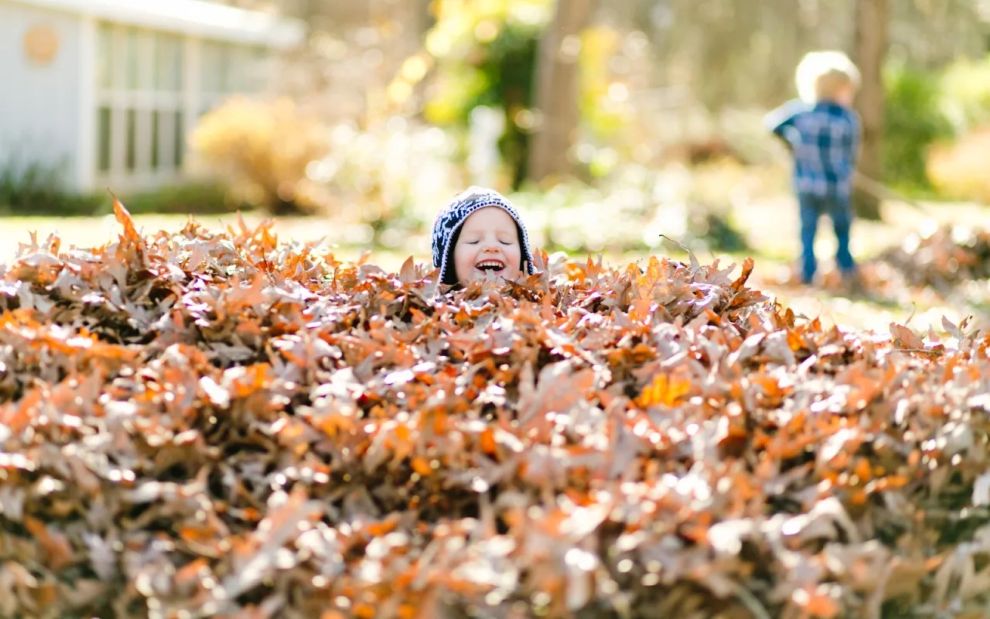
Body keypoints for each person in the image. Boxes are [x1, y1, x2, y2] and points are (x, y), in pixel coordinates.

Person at [765, 50, 861, 286]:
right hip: (836, 185)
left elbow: (772, 124)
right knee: (841, 227)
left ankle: (808, 272)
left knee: (808, 230)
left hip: (806, 183)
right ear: (840, 90)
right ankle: (846, 268)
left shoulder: (801, 112)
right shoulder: (848, 118)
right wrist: (849, 169)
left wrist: (791, 142)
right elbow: (851, 151)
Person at [431, 186, 535, 287]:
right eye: (474, 241)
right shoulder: (430, 304)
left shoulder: (539, 302)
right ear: (449, 258)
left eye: (505, 241)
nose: (491, 247)